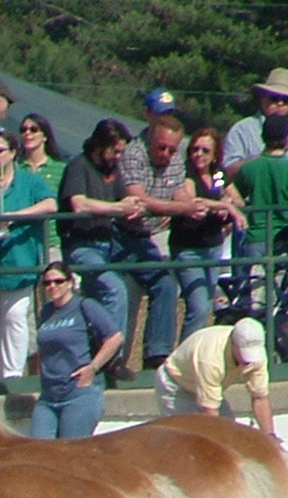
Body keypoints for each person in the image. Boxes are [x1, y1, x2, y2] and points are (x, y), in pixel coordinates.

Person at [58, 119, 143, 355]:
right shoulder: (78, 166)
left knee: (155, 276)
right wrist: (118, 208)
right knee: (115, 289)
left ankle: (98, 351)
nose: (118, 157)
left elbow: (125, 201)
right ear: (100, 145)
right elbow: (79, 203)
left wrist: (135, 206)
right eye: (115, 151)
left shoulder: (113, 171)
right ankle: (113, 356)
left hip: (109, 245)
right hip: (81, 246)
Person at [0, 127, 56, 386]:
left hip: (19, 258)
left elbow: (50, 204)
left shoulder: (29, 181)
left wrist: (16, 216)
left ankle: (12, 375)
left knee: (15, 316)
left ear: (13, 153)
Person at [114, 113, 189, 371]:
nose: (166, 154)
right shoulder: (133, 154)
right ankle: (114, 361)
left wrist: (188, 206)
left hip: (147, 237)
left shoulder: (176, 160)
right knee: (122, 295)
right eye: (161, 148)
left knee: (166, 283)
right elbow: (139, 200)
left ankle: (157, 356)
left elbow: (182, 197)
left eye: (172, 149)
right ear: (150, 139)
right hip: (119, 235)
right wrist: (178, 208)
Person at [30, 257, 120, 438]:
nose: (52, 286)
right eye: (47, 283)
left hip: (79, 393)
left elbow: (115, 337)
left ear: (70, 282)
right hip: (49, 396)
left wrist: (93, 367)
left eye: (58, 281)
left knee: (70, 452)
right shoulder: (46, 312)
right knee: (38, 451)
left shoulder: (84, 306)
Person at [231, 116, 288, 313]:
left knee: (254, 302)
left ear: (262, 137)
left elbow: (233, 192)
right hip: (285, 240)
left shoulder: (249, 168)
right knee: (283, 302)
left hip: (255, 237)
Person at [169, 127, 243, 341]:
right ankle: (185, 358)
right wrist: (223, 206)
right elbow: (194, 201)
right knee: (199, 307)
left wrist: (229, 204)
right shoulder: (186, 173)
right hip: (188, 248)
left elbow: (237, 199)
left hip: (213, 247)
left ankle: (197, 352)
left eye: (204, 150)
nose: (198, 155)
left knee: (207, 305)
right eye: (194, 150)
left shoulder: (218, 175)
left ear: (214, 154)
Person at [154, 316, 275, 436]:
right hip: (176, 385)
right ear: (233, 343)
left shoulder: (258, 358)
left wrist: (270, 435)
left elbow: (260, 398)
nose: (248, 361)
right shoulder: (211, 358)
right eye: (244, 352)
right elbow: (210, 412)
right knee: (186, 438)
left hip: (205, 387)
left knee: (231, 432)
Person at [222, 69, 288, 178]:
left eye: (286, 100)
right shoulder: (242, 130)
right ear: (262, 98)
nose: (280, 103)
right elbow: (229, 171)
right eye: (274, 98)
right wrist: (265, 159)